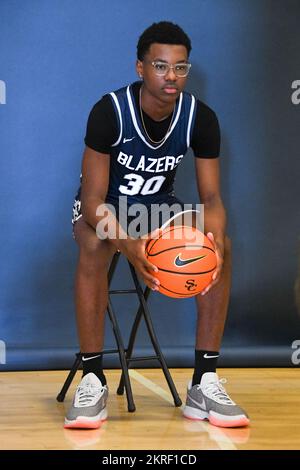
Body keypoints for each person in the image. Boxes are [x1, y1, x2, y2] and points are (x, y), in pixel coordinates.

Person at [64, 21, 249, 429]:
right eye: (161, 66)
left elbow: (212, 198)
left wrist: (212, 237)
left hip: (157, 209)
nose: (172, 76)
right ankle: (92, 379)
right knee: (96, 244)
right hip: (106, 209)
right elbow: (92, 201)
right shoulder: (109, 112)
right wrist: (128, 244)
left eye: (180, 68)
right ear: (140, 68)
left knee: (223, 245)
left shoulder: (200, 118)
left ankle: (204, 382)